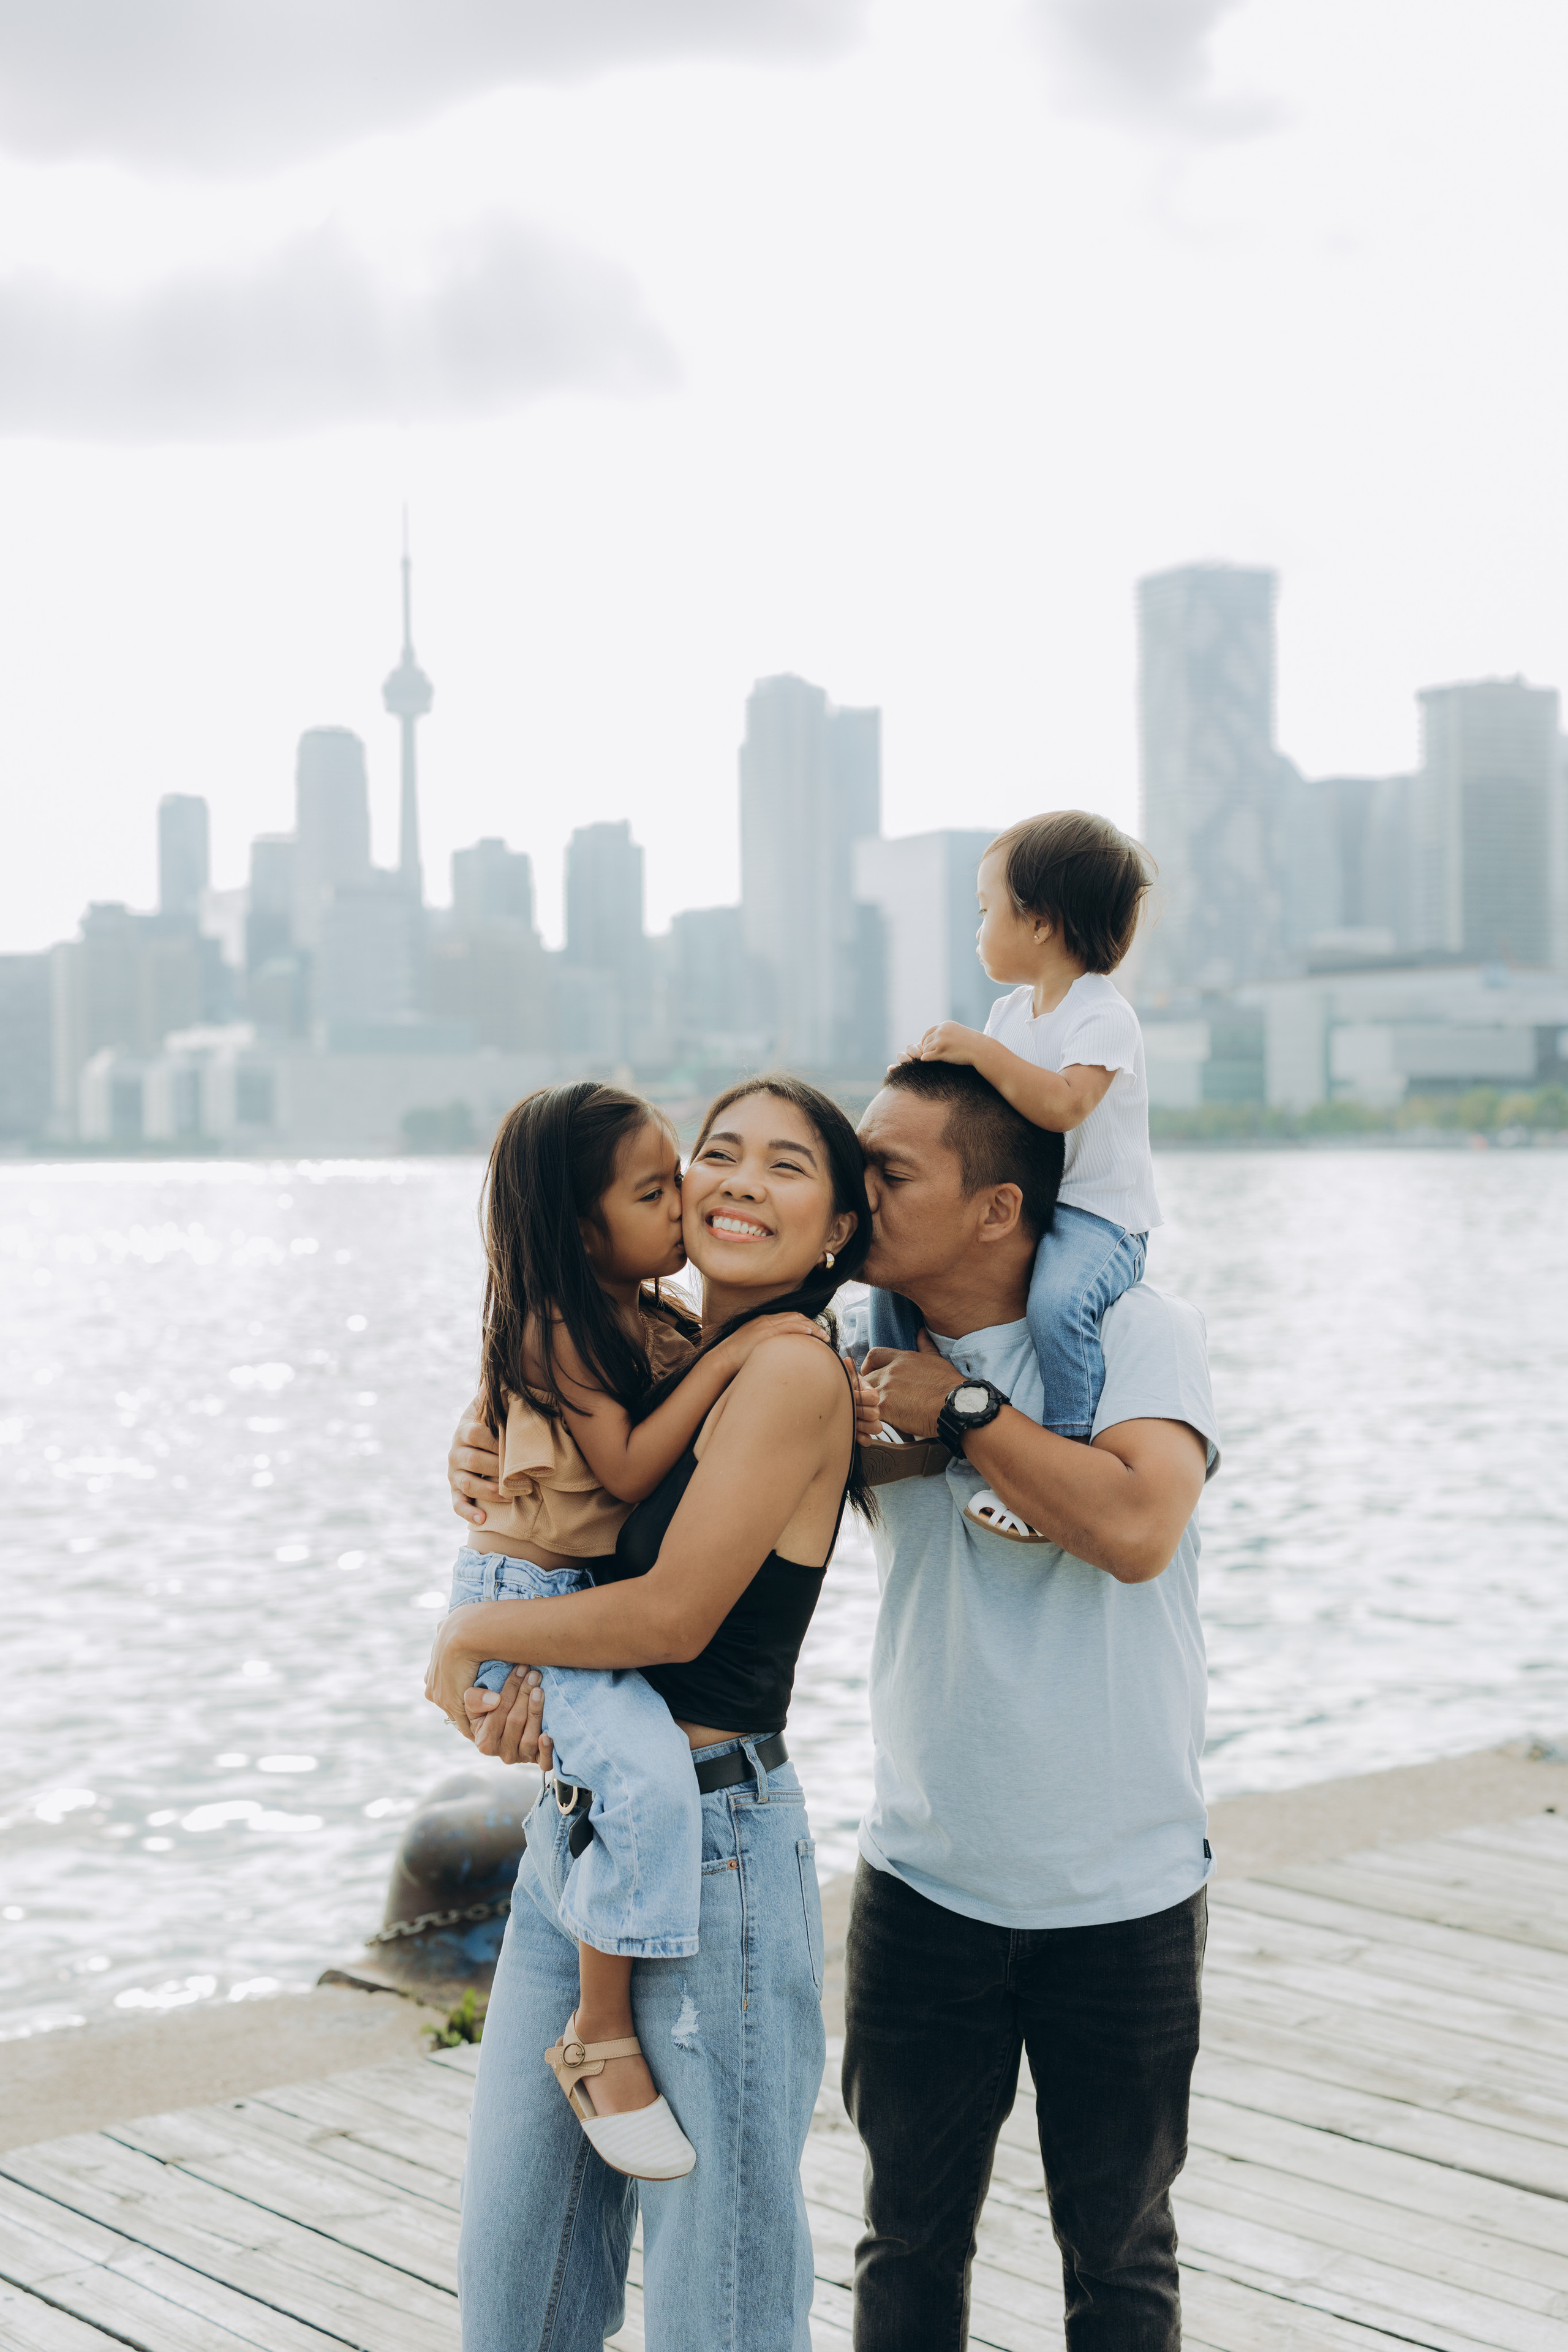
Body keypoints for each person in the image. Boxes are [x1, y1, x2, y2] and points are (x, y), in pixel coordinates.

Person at [454, 1056, 1220, 2351]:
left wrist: (967, 1409)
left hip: (1101, 1875)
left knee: (1106, 2249)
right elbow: (599, 1516)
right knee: (888, 2247)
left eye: (857, 1172)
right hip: (902, 1866)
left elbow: (1135, 1526)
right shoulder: (790, 1346)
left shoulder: (1102, 1335)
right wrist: (501, 1484)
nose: (745, 1182)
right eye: (716, 1153)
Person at [428, 1074, 872, 2352]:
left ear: (837, 1228)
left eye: (786, 1166)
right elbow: (567, 1506)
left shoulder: (785, 1369)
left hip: (714, 1855)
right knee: (517, 2286)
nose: (735, 1179)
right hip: (578, 1840)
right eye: (716, 1152)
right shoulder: (651, 1340)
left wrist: (471, 1637)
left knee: (714, 2306)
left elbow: (670, 1617)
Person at [870, 811, 1161, 1543]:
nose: (976, 928)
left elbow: (1063, 1105)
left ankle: (1064, 1456)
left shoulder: (1103, 1012)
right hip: (1043, 1207)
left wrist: (978, 1051)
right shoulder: (1010, 1011)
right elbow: (982, 1113)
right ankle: (898, 1414)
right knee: (889, 1287)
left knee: (1059, 1302)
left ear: (1038, 922)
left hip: (1099, 1218)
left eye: (985, 909)